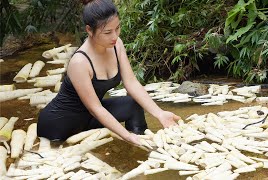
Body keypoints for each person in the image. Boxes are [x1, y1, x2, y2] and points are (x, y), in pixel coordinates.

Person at [37, 0, 181, 146]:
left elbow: (131, 82)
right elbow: (95, 108)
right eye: (107, 32)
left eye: (117, 29)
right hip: (59, 125)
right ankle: (133, 141)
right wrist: (126, 136)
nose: (114, 36)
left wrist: (159, 113)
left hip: (90, 117)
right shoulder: (80, 62)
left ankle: (142, 146)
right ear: (89, 30)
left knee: (132, 104)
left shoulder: (116, 45)